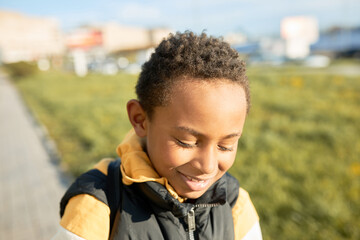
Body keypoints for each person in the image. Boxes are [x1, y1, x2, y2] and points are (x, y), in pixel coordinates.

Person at [52, 31, 262, 240]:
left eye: (226, 146)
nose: (207, 166)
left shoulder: (236, 204)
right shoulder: (97, 205)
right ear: (140, 119)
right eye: (186, 142)